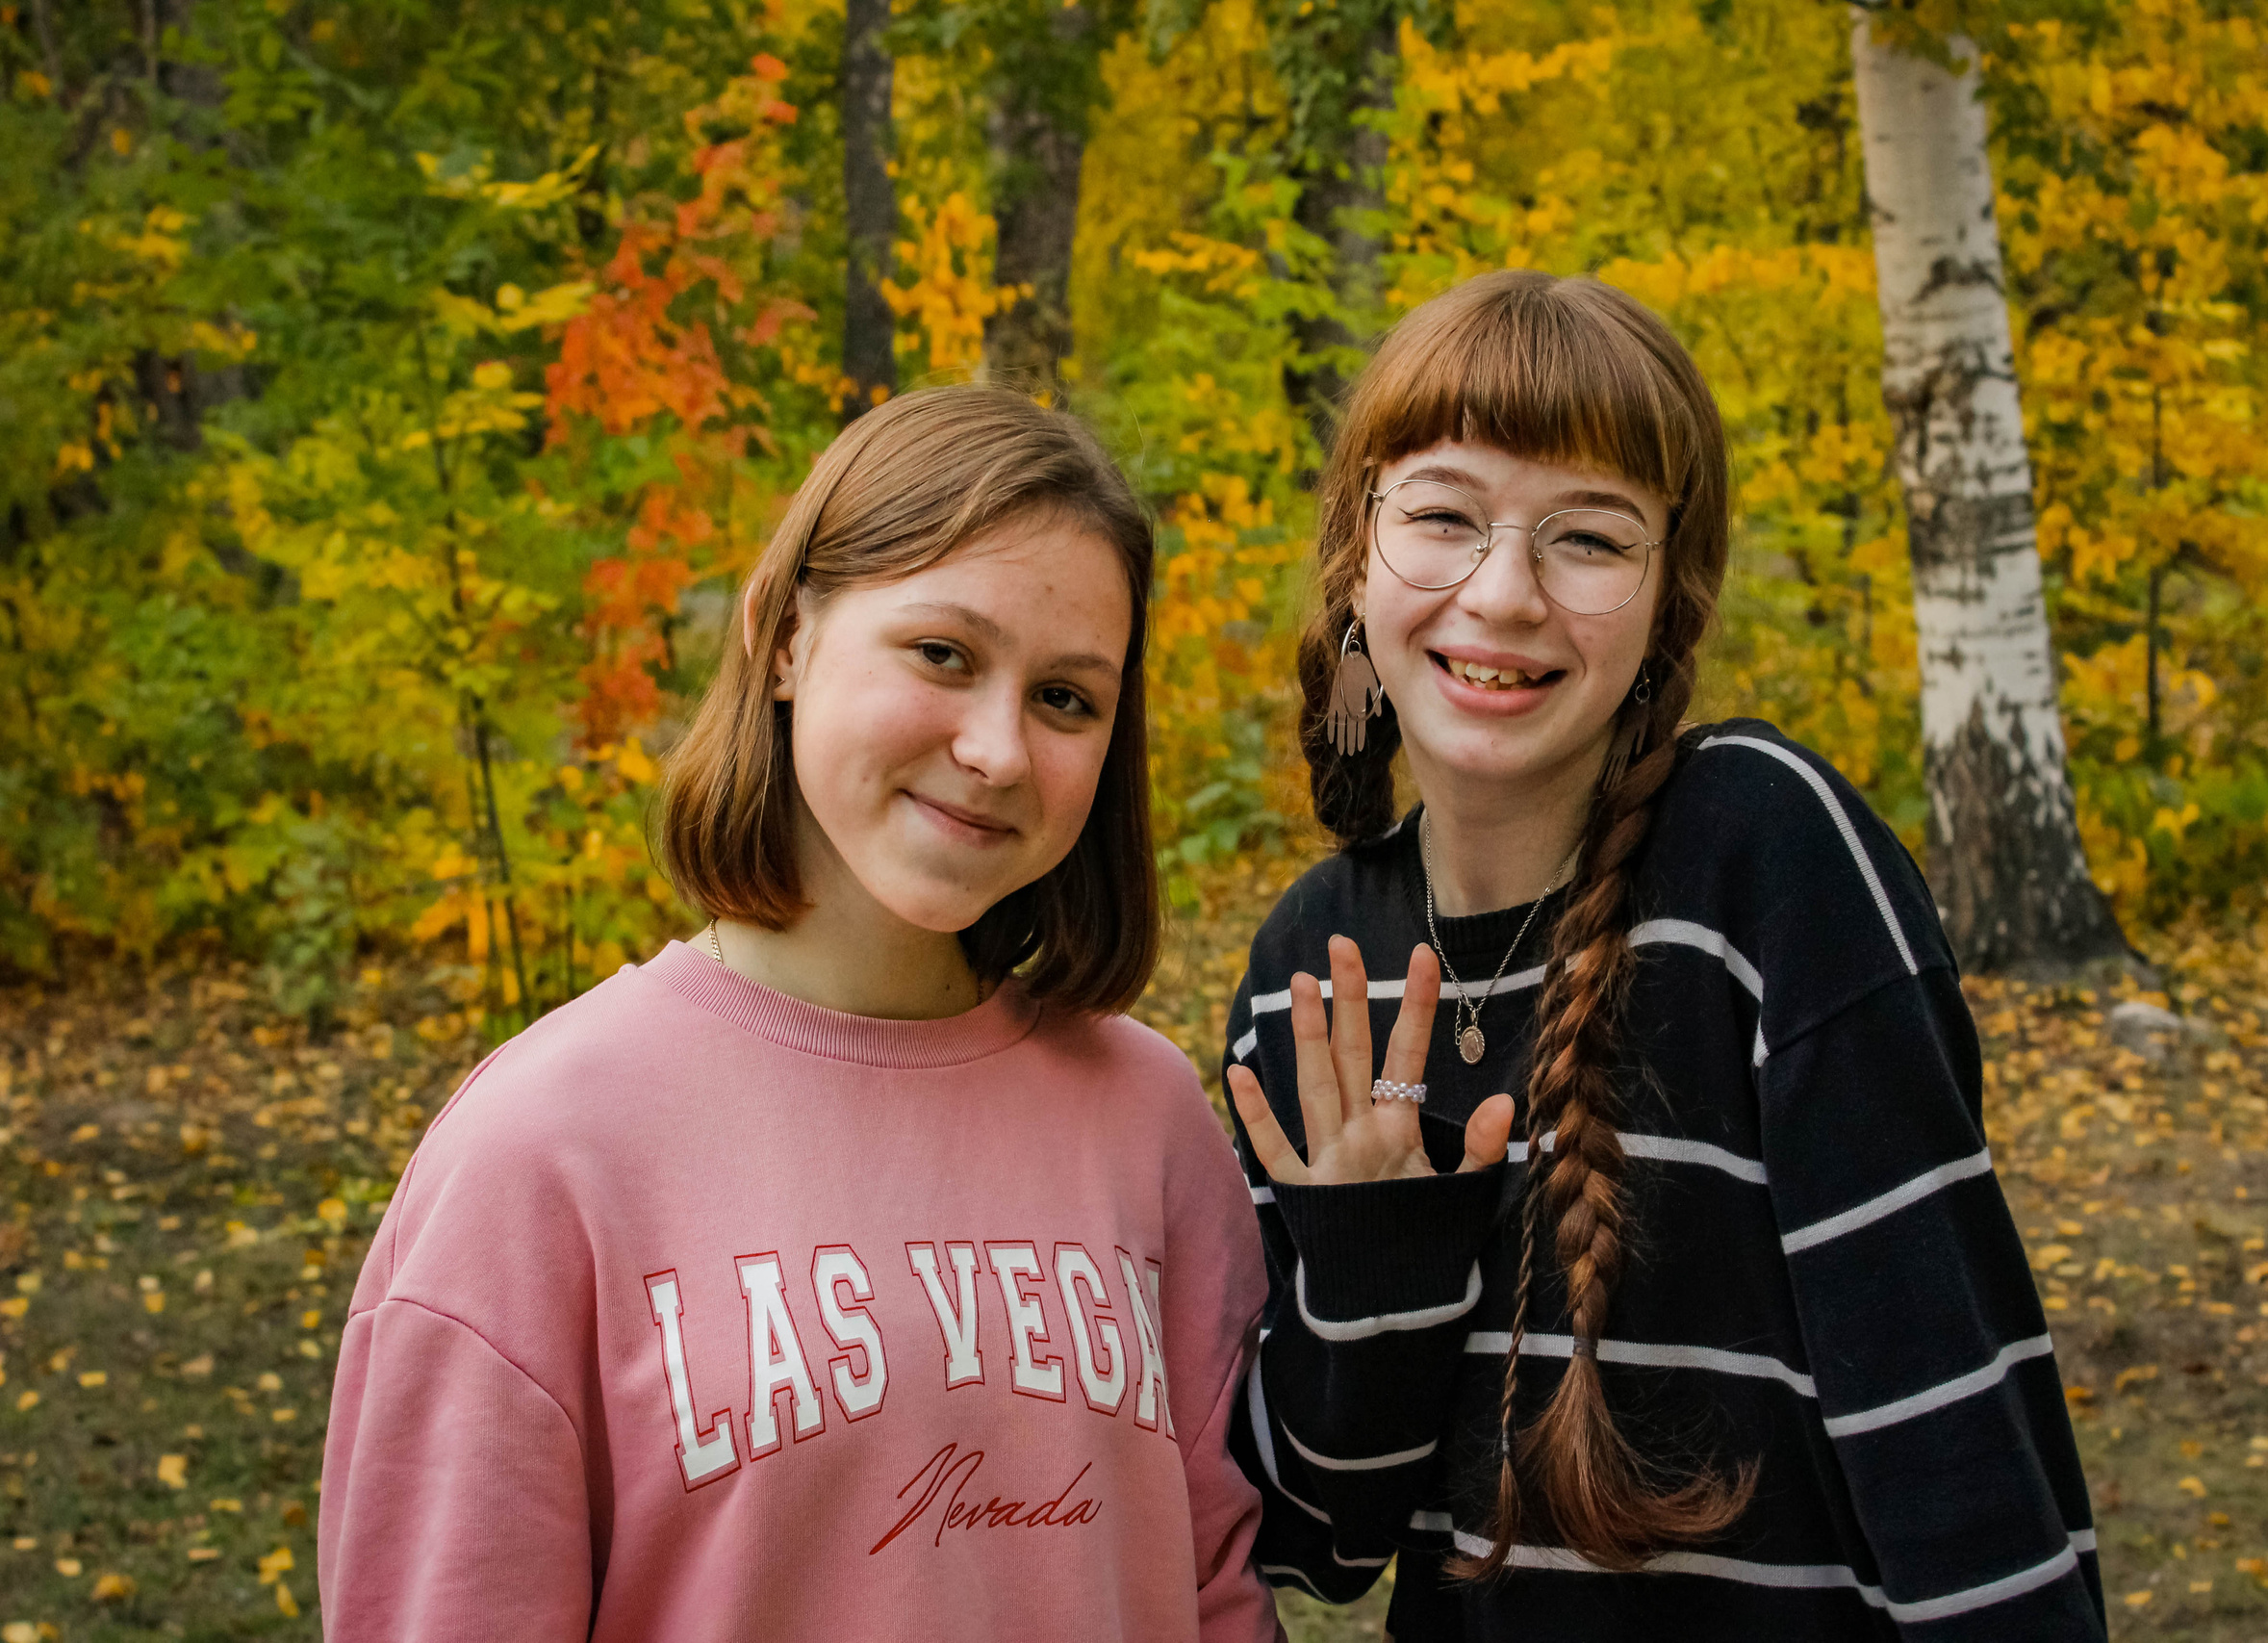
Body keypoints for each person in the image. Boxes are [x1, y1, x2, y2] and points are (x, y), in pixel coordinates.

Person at [1222, 270, 2105, 1639]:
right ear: (1354, 558)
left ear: (1665, 603)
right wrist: (1371, 1267)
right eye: (1445, 515)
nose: (1503, 594)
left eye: (1588, 537)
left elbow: (1950, 1416)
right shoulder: (1312, 964)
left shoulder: (1761, 855)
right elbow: (1316, 1539)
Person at [320, 386, 1279, 1643]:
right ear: (784, 638)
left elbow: (1214, 1593)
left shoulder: (1148, 1120)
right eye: (944, 653)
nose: (997, 747)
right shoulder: (539, 1154)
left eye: (1066, 699)